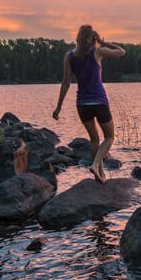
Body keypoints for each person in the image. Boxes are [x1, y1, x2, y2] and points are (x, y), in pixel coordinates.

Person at [53, 24, 126, 183]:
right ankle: (95, 165)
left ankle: (100, 174)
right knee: (109, 137)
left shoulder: (70, 55)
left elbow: (66, 82)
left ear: (78, 37)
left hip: (82, 104)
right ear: (92, 38)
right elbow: (122, 51)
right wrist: (103, 42)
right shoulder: (98, 51)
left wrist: (59, 107)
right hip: (99, 101)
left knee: (94, 139)